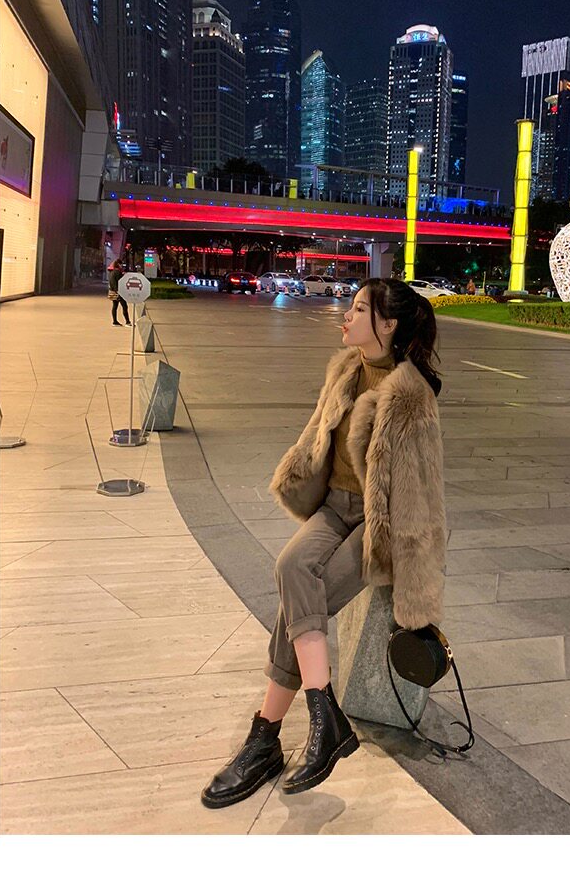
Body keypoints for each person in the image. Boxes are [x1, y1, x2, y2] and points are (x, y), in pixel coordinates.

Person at [201, 278, 446, 808]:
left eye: (359, 309)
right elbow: (316, 434)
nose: (346, 316)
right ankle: (322, 712)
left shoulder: (411, 397)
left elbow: (420, 494)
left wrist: (417, 588)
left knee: (297, 604)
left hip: (377, 526)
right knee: (291, 569)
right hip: (334, 507)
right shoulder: (345, 370)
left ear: (388, 325)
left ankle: (265, 736)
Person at [108, 260, 131, 326]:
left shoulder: (111, 272)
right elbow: (120, 282)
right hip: (118, 292)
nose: (122, 266)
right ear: (118, 264)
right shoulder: (118, 272)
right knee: (124, 306)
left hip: (112, 291)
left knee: (115, 306)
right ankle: (127, 322)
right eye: (121, 264)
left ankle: (114, 321)